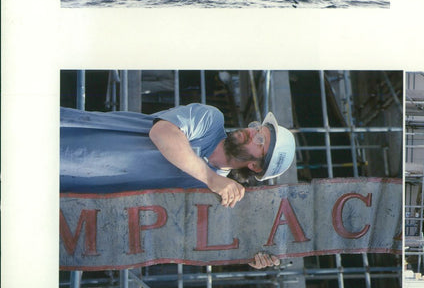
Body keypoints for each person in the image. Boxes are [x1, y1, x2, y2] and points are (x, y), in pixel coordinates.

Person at [60, 103, 296, 269]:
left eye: (260, 140)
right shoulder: (211, 121)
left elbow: (198, 236)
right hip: (70, 138)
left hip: (69, 189)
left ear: (255, 166)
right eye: (257, 128)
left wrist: (251, 254)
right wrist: (211, 178)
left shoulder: (210, 196)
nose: (251, 132)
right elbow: (163, 133)